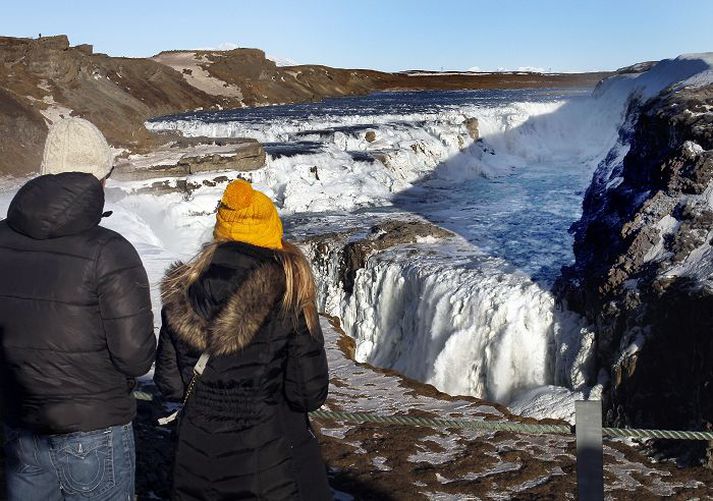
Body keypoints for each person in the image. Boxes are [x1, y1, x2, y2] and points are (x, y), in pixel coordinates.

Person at [0, 117, 156, 500]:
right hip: (95, 430)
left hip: (19, 427)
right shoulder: (110, 251)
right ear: (99, 177)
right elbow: (136, 358)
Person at [154, 179, 331, 500]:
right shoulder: (288, 293)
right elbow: (309, 392)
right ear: (269, 234)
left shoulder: (181, 291)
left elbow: (170, 384)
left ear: (221, 232)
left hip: (195, 460)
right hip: (268, 464)